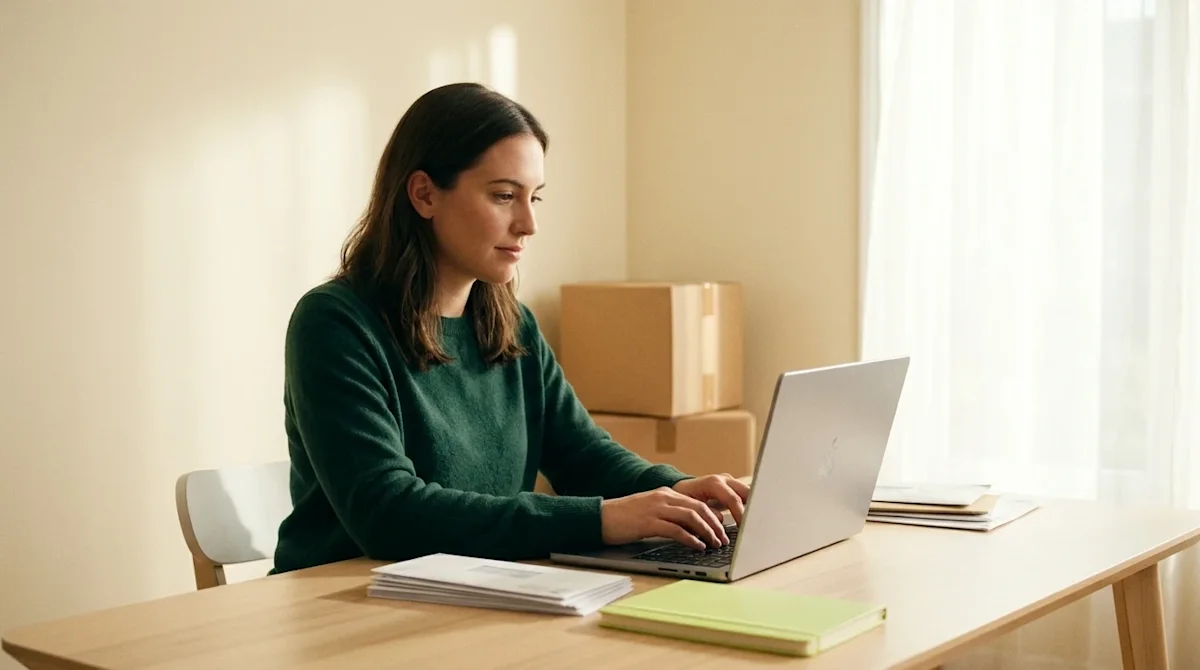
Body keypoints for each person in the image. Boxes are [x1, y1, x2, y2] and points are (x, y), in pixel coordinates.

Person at [271, 82, 750, 574]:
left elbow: (582, 455)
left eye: (534, 198)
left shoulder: (510, 323)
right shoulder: (334, 324)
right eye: (504, 196)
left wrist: (675, 490)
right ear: (424, 194)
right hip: (343, 603)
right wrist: (600, 519)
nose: (528, 224)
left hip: (470, 591)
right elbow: (388, 513)